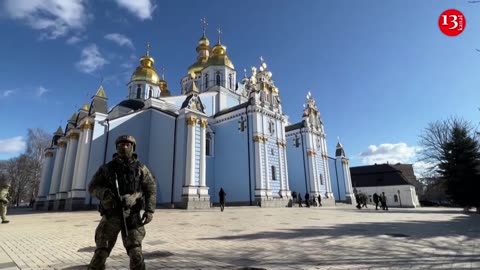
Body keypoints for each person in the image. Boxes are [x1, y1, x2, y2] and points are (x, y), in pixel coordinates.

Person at [88, 135, 157, 270]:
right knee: (101, 252)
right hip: (111, 216)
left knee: (136, 253)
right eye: (121, 144)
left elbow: (151, 189)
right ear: (117, 147)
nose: (124, 146)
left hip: (132, 216)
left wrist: (149, 210)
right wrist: (106, 194)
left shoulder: (141, 169)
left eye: (127, 144)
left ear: (133, 147)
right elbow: (92, 187)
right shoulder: (107, 168)